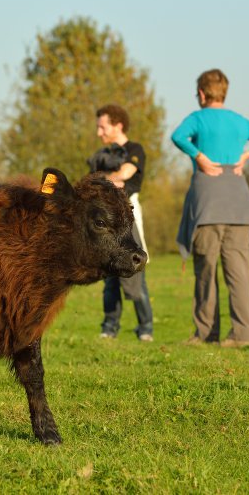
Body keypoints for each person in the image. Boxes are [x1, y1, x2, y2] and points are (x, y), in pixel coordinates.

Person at [171, 69, 249, 348]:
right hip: (240, 207)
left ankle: (206, 333)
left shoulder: (197, 119)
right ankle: (242, 336)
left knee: (206, 272)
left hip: (208, 206)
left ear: (201, 93)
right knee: (239, 274)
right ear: (224, 92)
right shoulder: (240, 122)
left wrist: (199, 156)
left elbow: (178, 137)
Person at [91, 104, 154, 342]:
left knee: (135, 270)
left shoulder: (135, 149)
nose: (99, 133)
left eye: (102, 127)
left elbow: (126, 173)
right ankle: (109, 326)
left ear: (117, 125)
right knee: (109, 274)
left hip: (129, 214)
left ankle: (146, 327)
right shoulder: (99, 155)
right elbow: (91, 181)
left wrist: (105, 179)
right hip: (105, 218)